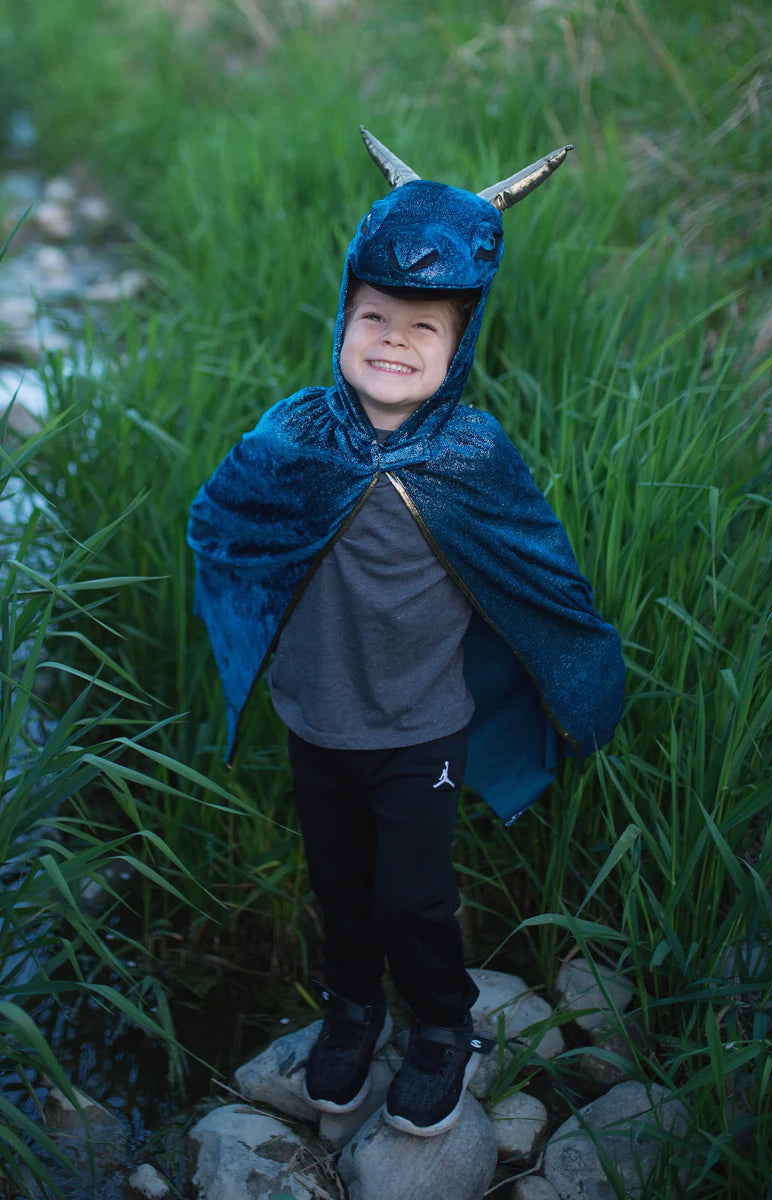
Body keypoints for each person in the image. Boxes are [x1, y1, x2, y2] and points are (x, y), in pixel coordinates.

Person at [187, 128, 625, 1137]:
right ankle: (351, 1007)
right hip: (315, 720)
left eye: (422, 327)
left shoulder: (471, 455)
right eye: (374, 317)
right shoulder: (297, 433)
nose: (392, 340)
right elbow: (222, 519)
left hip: (422, 730)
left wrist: (581, 670)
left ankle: (441, 1024)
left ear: (458, 345)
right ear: (343, 317)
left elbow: (537, 574)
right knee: (339, 887)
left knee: (413, 898)